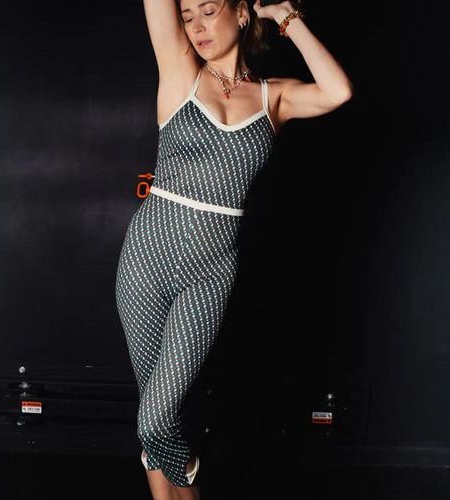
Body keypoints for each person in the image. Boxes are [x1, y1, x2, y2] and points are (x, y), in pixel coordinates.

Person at [114, 0, 352, 497]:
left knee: (155, 420)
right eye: (187, 16)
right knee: (158, 417)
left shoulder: (273, 97)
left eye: (209, 10)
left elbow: (338, 91)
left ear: (242, 14)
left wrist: (286, 17)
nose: (196, 26)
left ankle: (188, 469)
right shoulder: (180, 68)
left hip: (210, 271)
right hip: (146, 259)